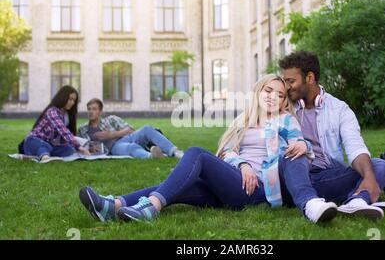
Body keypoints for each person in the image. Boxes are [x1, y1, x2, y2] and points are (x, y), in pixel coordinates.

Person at [79, 74, 339, 224]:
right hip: (235, 178)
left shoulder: (285, 120)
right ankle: (113, 206)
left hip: (256, 189)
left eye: (280, 95)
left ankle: (152, 208)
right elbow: (226, 153)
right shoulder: (243, 121)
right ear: (259, 92)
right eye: (268, 91)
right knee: (179, 187)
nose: (273, 97)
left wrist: (301, 143)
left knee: (195, 154)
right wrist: (243, 164)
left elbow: (299, 145)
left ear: (284, 101)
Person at [279, 51, 385, 220]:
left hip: (328, 177)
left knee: (378, 165)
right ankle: (310, 204)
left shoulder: (340, 109)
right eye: (285, 81)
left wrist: (369, 176)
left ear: (309, 78)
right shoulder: (283, 105)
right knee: (294, 153)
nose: (286, 87)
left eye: (291, 81)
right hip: (294, 178)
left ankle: (357, 202)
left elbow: (355, 147)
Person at [78, 98, 184, 159]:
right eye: (89, 109)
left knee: (147, 128)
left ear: (100, 112)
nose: (91, 112)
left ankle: (175, 152)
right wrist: (91, 149)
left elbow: (130, 130)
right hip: (113, 147)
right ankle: (152, 156)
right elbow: (81, 145)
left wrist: (112, 135)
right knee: (131, 147)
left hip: (126, 138)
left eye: (94, 109)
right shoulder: (83, 129)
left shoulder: (111, 119)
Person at [23, 85, 90, 163]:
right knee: (42, 146)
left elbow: (68, 135)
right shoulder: (52, 111)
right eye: (70, 99)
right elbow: (62, 129)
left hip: (51, 144)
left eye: (74, 100)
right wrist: (79, 147)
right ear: (62, 98)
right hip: (35, 140)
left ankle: (40, 155)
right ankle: (45, 157)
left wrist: (84, 147)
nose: (72, 102)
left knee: (69, 149)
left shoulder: (68, 114)